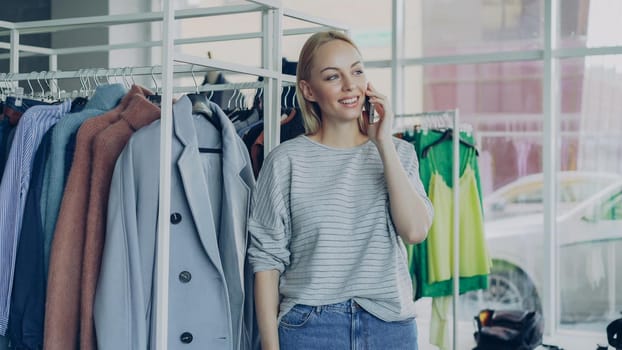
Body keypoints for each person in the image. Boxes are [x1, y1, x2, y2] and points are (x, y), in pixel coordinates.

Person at [247, 30, 434, 350]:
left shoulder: (399, 153)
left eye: (357, 71)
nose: (350, 85)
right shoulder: (285, 160)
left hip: (389, 327)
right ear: (308, 90)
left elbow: (415, 230)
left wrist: (384, 143)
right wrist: (269, 347)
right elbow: (266, 263)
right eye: (333, 76)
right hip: (310, 328)